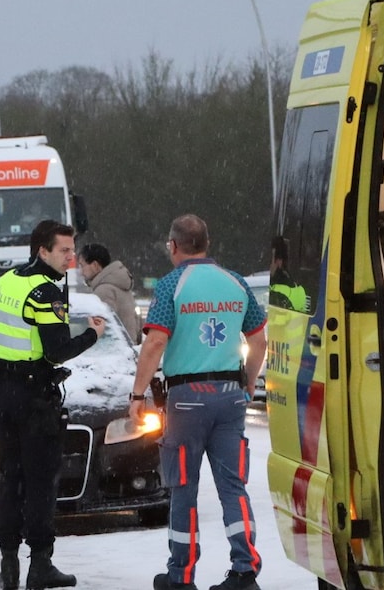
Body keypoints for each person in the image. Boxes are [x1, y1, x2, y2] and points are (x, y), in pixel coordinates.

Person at [129, 215, 268, 590]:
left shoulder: (171, 285)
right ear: (207, 244)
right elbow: (259, 339)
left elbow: (156, 342)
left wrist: (138, 394)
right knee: (233, 486)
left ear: (174, 246)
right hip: (230, 396)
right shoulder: (235, 282)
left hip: (187, 400)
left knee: (183, 488)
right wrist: (248, 382)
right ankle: (244, 571)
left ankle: (181, 575)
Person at [0, 219, 106, 590]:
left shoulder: (7, 282)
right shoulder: (45, 292)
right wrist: (92, 334)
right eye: (64, 250)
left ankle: (8, 566)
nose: (71, 257)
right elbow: (56, 352)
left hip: (2, 393)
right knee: (40, 482)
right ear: (43, 251)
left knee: (11, 477)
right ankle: (40, 565)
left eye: (73, 250)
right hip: (33, 398)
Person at [77, 242, 141, 343]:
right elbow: (137, 325)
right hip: (127, 347)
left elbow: (103, 330)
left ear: (95, 265)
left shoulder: (104, 291)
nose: (81, 272)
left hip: (112, 350)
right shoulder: (121, 286)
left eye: (82, 266)